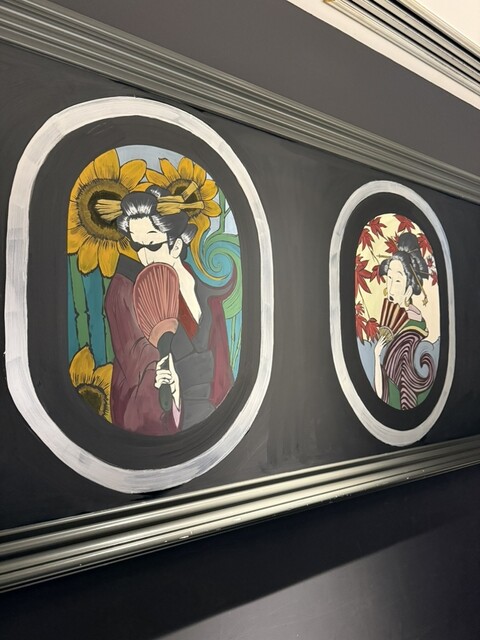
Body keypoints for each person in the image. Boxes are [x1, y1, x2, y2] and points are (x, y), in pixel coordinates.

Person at [104, 189, 233, 435]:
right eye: (137, 245)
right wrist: (169, 382)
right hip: (161, 422)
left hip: (211, 421)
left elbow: (223, 372)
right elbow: (135, 362)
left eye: (152, 245)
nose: (144, 256)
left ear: (177, 245)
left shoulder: (208, 297)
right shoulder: (124, 290)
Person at [373, 232, 436, 410]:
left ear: (409, 290)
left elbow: (396, 397)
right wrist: (376, 356)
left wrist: (378, 357)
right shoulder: (393, 324)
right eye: (389, 278)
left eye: (398, 280)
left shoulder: (410, 335)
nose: (390, 287)